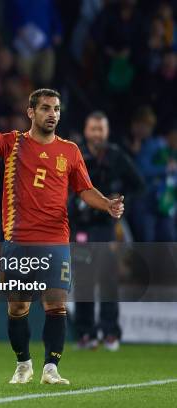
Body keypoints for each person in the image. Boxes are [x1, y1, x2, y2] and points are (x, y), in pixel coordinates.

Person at [0, 64, 124, 385]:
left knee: (56, 303)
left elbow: (84, 189)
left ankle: (51, 368)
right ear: (30, 111)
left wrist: (106, 204)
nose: (53, 114)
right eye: (46, 108)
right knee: (18, 306)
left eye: (57, 109)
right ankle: (23, 364)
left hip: (56, 239)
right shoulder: (13, 143)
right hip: (18, 239)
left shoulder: (70, 151)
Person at [70, 111, 144, 352]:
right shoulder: (75, 154)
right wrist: (72, 205)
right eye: (93, 129)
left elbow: (138, 185)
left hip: (106, 227)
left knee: (109, 280)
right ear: (85, 130)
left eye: (101, 129)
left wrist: (122, 204)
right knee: (83, 281)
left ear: (107, 131)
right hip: (82, 227)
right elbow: (60, 185)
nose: (97, 134)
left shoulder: (116, 156)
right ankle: (85, 334)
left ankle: (110, 333)